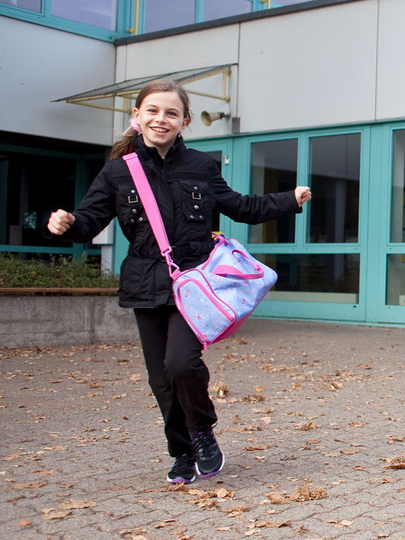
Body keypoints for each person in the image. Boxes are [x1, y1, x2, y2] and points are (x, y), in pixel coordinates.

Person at [47, 79, 311, 485]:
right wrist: (66, 223)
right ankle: (182, 451)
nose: (160, 118)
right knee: (160, 379)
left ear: (184, 121)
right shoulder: (119, 172)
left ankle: (202, 431)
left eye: (171, 112)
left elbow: (241, 206)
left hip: (193, 285)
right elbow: (89, 221)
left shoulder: (202, 166)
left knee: (181, 363)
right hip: (144, 285)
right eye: (152, 110)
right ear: (136, 116)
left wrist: (288, 199)